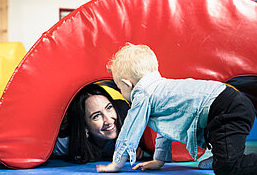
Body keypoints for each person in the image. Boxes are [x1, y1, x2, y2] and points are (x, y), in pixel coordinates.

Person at [96, 43, 257, 174]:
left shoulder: (142, 93)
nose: (122, 93)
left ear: (127, 83)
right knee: (213, 133)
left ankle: (224, 160)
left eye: (120, 88)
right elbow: (166, 128)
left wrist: (116, 163)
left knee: (227, 168)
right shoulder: (160, 89)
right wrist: (159, 160)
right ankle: (220, 157)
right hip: (230, 103)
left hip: (227, 108)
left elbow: (130, 130)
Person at [52, 83, 148, 164]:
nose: (109, 121)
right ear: (85, 126)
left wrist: (138, 148)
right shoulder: (66, 144)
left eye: (109, 108)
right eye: (96, 116)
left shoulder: (127, 120)